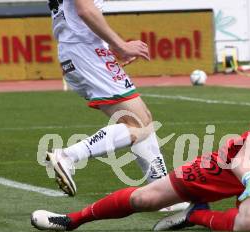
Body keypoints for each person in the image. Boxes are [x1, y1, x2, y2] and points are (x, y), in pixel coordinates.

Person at [31, 71, 250, 232]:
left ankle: (194, 214)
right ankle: (72, 220)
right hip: (232, 166)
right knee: (145, 200)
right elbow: (243, 157)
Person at [45, 0, 188, 210]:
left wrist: (109, 45)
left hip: (79, 49)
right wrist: (121, 44)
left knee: (141, 120)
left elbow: (76, 14)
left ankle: (161, 194)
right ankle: (67, 156)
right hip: (84, 51)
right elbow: (85, 10)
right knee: (139, 124)